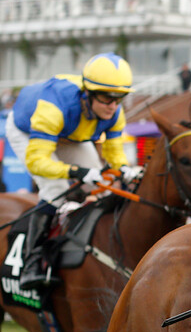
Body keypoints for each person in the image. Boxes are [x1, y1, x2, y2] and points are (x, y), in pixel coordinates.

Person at [4, 52, 143, 289]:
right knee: (55, 188)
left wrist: (125, 169)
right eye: (107, 98)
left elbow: (114, 154)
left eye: (119, 99)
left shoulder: (114, 113)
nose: (113, 106)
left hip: (71, 132)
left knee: (101, 187)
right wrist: (77, 172)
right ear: (88, 93)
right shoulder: (54, 107)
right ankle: (32, 263)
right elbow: (38, 162)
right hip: (28, 130)